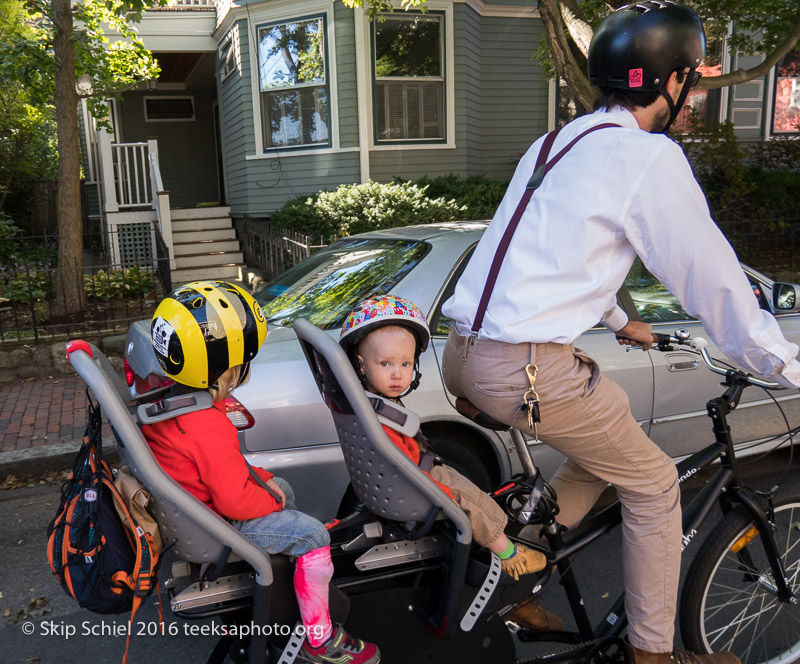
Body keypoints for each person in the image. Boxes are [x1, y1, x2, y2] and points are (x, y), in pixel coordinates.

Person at [439, 2, 800, 663]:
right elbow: (713, 283)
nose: (693, 97)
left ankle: (511, 577)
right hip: (522, 365)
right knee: (656, 484)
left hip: (463, 354)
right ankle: (653, 655)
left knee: (607, 445)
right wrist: (785, 363)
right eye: (692, 78)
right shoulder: (645, 157)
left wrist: (620, 321)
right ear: (667, 80)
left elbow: (553, 249)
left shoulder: (558, 142)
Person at [142, 280, 380, 664]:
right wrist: (271, 498)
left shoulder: (174, 404)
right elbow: (234, 499)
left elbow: (214, 466)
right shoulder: (207, 423)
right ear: (228, 367)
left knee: (282, 487)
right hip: (216, 524)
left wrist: (267, 483)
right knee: (313, 532)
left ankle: (284, 590)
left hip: (195, 513)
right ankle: (319, 638)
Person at [338, 295, 553, 591]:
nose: (398, 374)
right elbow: (403, 463)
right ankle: (509, 555)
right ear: (361, 366)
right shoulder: (379, 416)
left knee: (463, 484)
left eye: (406, 363)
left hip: (408, 475)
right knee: (474, 500)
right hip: (415, 482)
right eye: (385, 363)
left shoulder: (367, 404)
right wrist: (441, 492)